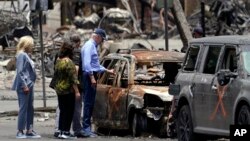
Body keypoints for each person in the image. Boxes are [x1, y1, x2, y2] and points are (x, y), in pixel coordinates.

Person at [81, 28, 114, 137]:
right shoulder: (89, 46)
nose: (102, 42)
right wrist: (92, 78)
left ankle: (87, 128)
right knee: (88, 103)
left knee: (90, 103)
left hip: (91, 74)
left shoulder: (92, 46)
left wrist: (106, 70)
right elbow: (87, 64)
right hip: (89, 76)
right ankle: (86, 128)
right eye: (102, 39)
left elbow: (95, 64)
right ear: (98, 37)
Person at [53, 34, 85, 138]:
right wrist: (76, 91)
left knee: (62, 110)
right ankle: (66, 132)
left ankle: (61, 131)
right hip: (68, 90)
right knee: (69, 111)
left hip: (59, 89)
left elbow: (55, 74)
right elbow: (73, 78)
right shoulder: (70, 62)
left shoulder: (59, 61)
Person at [11, 36, 41, 139]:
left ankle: (29, 129)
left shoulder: (26, 55)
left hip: (29, 84)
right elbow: (20, 72)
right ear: (27, 44)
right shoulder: (21, 55)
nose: (33, 46)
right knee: (23, 108)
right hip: (24, 85)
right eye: (31, 44)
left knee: (30, 108)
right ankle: (20, 131)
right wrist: (24, 85)